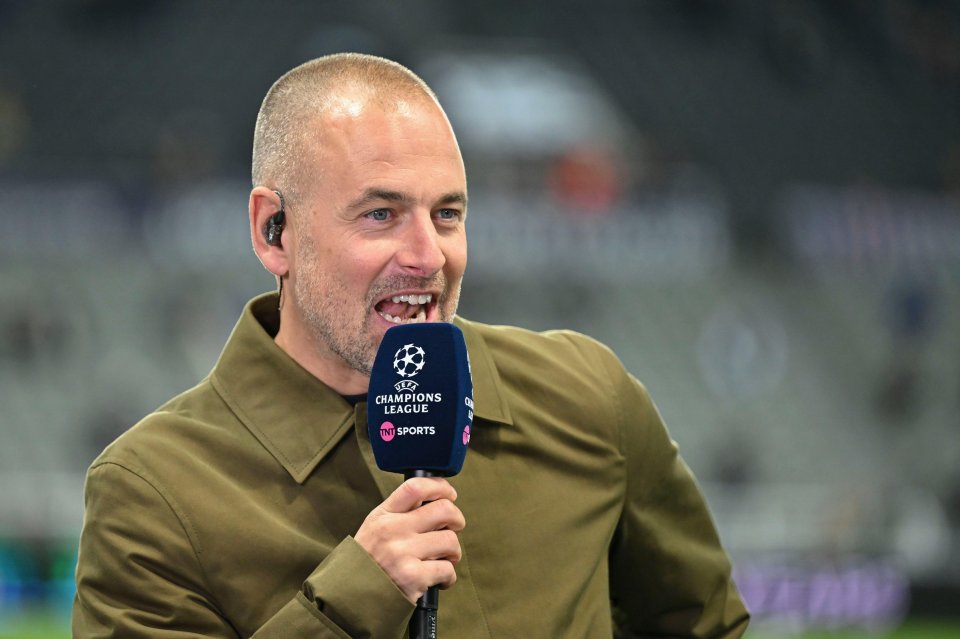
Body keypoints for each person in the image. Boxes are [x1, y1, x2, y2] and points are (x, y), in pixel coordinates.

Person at [73, 53, 749, 638]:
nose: (429, 256)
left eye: (447, 214)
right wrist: (354, 595)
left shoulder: (586, 397)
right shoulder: (150, 492)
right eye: (381, 214)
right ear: (273, 231)